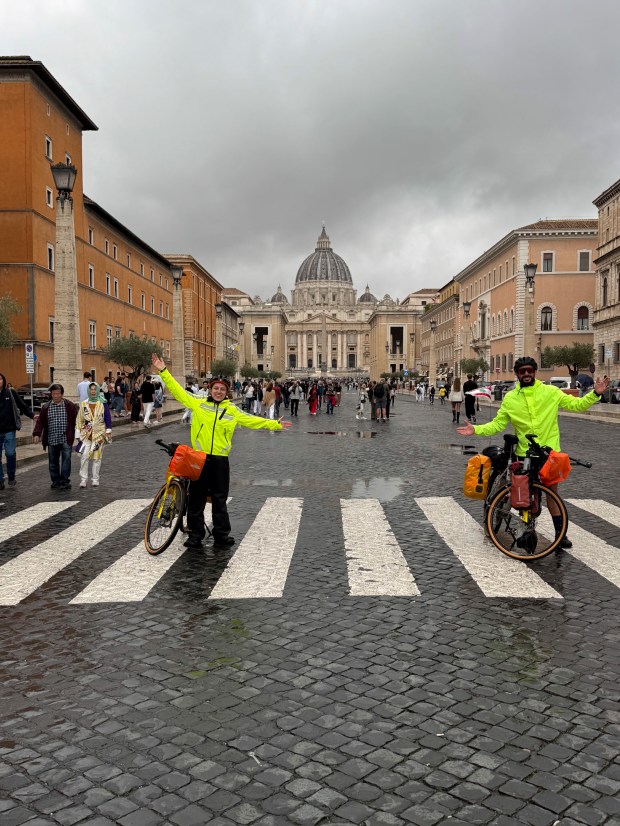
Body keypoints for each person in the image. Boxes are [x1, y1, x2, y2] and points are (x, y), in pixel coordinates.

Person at [457, 356, 609, 549]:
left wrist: (595, 394)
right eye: (522, 371)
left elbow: (576, 405)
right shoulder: (511, 398)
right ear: (518, 374)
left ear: (535, 372)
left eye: (530, 370)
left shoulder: (551, 391)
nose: (527, 374)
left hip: (549, 454)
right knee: (522, 493)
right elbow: (498, 424)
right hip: (524, 453)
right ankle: (526, 527)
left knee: (552, 495)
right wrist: (476, 429)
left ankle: (560, 535)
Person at [151, 353, 291, 550]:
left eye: (222, 389)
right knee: (197, 500)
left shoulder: (232, 410)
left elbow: (252, 420)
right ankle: (196, 535)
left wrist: (275, 424)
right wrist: (163, 371)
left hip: (220, 460)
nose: (218, 391)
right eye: (215, 388)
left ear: (227, 392)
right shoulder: (198, 403)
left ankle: (221, 534)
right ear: (210, 389)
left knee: (219, 500)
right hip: (198, 458)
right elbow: (178, 390)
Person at [33, 383, 78, 489]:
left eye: (58, 394)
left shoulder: (70, 405)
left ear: (62, 394)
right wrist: (37, 434)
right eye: (54, 394)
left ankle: (65, 480)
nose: (56, 396)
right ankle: (55, 480)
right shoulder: (45, 407)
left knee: (66, 459)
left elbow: (77, 420)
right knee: (53, 461)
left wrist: (80, 433)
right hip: (52, 438)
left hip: (66, 438)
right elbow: (40, 422)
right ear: (51, 394)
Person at [0, 373, 35, 490]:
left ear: (3, 381)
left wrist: (32, 415)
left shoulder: (10, 392)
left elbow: (22, 405)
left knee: (10, 453)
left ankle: (11, 476)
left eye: (0, 379)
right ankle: (0, 479)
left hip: (9, 429)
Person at [76, 383, 113, 487]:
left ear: (97, 390)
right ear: (88, 391)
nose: (92, 391)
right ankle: (83, 479)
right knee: (84, 457)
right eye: (91, 389)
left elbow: (107, 418)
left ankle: (95, 479)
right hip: (86, 434)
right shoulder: (83, 404)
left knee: (97, 458)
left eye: (94, 389)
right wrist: (78, 433)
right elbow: (79, 419)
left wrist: (108, 430)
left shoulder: (103, 403)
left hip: (99, 434)